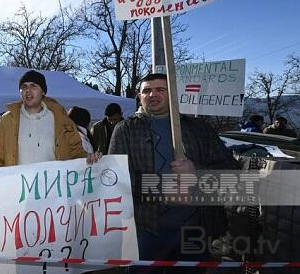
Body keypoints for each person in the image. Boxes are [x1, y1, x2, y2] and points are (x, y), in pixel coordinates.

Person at [89, 73, 239, 273]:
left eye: (161, 89)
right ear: (139, 96)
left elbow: (231, 171)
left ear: (173, 94)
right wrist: (162, 189)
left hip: (195, 230)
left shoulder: (199, 129)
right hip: (146, 230)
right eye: (147, 90)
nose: (153, 94)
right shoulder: (125, 129)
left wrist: (196, 173)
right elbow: (119, 177)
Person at [0, 70, 86, 167]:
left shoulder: (62, 120)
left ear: (43, 91)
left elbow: (77, 152)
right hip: (17, 183)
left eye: (33, 86)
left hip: (52, 182)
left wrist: (90, 160)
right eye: (24, 87)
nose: (28, 90)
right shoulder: (7, 120)